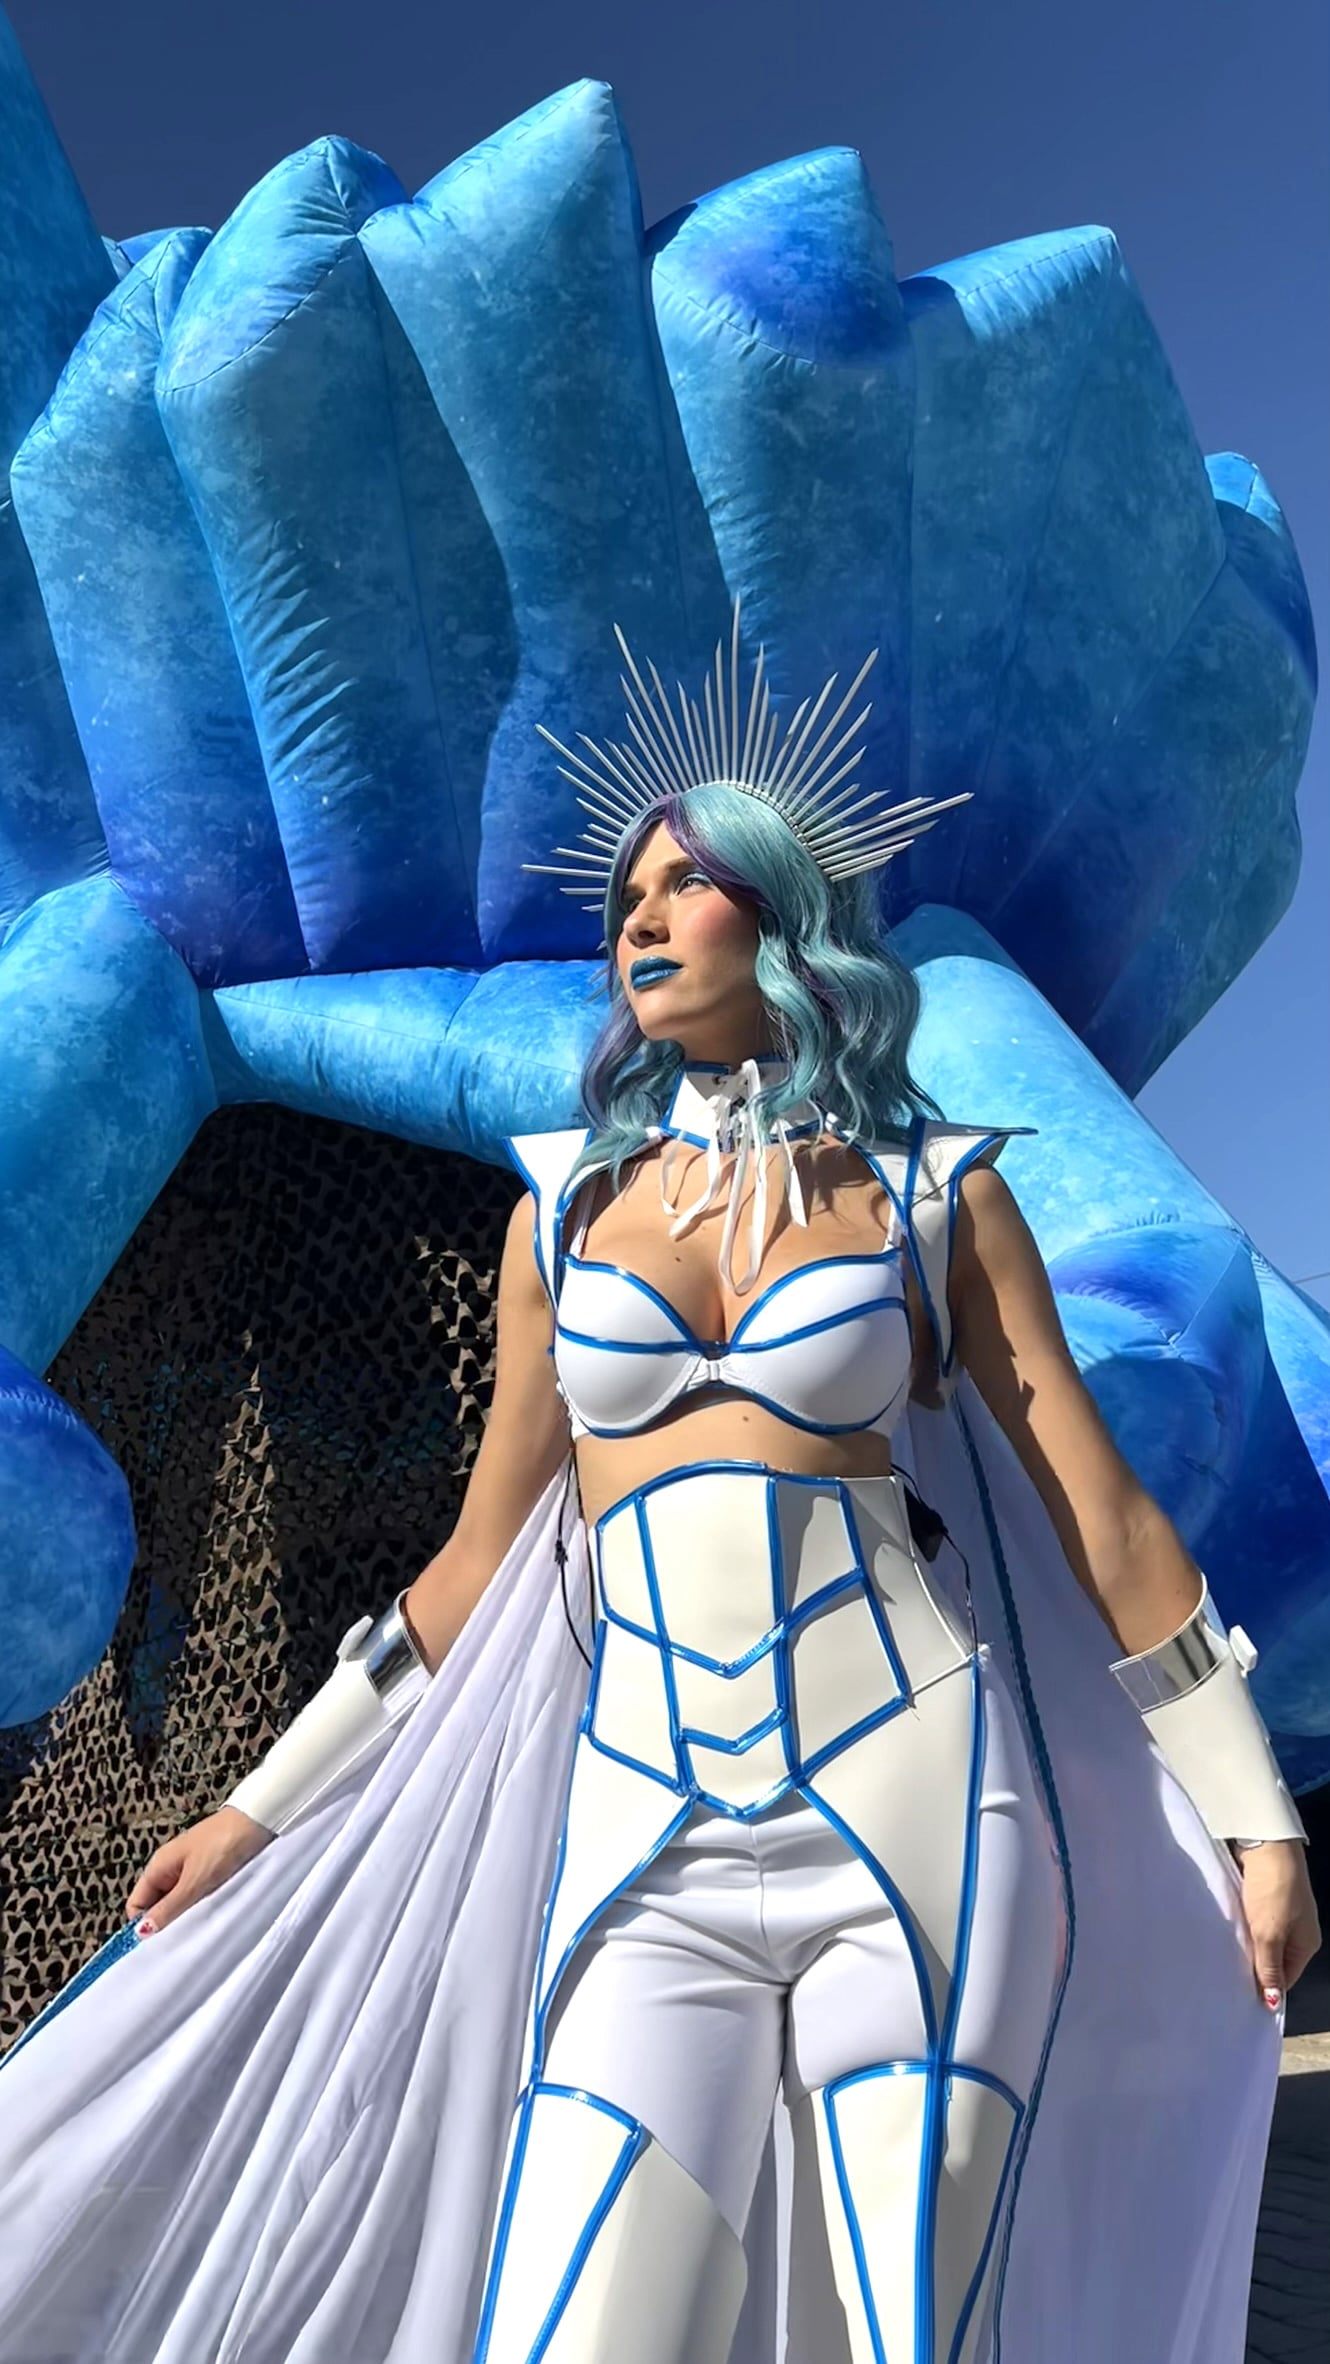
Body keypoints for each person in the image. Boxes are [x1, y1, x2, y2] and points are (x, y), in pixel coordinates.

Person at [0, 609, 1319, 2364]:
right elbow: (468, 1571)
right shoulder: (555, 1215)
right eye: (626, 891)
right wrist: (257, 1810)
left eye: (685, 884)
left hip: (923, 1808)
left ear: (781, 920)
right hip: (644, 1842)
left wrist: (1254, 1816)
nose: (639, 914)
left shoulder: (937, 1196)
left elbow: (1107, 1518)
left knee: (910, 2330)